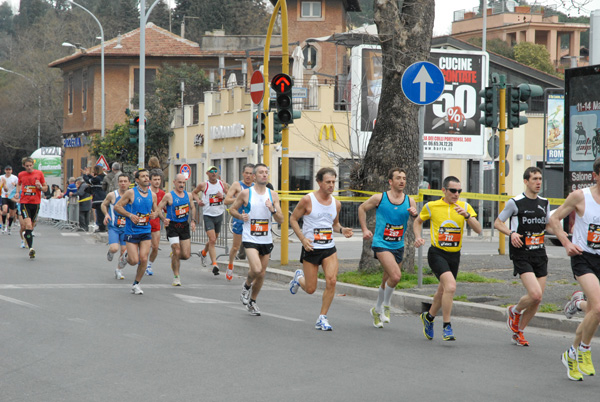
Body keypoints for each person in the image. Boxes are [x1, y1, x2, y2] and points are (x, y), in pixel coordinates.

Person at [549, 157, 600, 381]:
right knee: (598, 308)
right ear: (596, 175)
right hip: (583, 257)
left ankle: (571, 353)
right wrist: (567, 243)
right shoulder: (581, 196)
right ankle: (585, 351)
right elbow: (554, 218)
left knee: (593, 312)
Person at [413, 176, 481, 341]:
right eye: (453, 190)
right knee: (450, 287)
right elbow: (417, 221)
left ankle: (428, 317)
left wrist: (467, 216)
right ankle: (447, 325)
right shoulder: (432, 206)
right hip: (437, 253)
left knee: (443, 291)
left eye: (459, 191)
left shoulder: (465, 207)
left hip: (454, 255)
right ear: (444, 190)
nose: (456, 194)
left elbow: (479, 230)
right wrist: (418, 237)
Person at [289, 167, 353, 331]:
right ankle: (298, 278)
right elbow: (293, 219)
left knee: (331, 280)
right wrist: (303, 239)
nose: (331, 185)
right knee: (310, 289)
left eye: (333, 182)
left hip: (328, 248)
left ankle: (322, 317)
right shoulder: (307, 200)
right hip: (311, 248)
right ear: (319, 182)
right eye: (328, 182)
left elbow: (334, 224)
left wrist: (342, 230)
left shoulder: (336, 203)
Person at [494, 167, 551, 347]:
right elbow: (497, 222)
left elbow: (548, 225)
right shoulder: (515, 202)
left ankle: (519, 332)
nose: (538, 182)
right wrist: (511, 233)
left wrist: (565, 235)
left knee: (538, 299)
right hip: (521, 253)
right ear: (526, 181)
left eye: (540, 178)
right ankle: (515, 311)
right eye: (534, 179)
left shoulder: (545, 202)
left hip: (540, 253)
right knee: (534, 294)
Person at [358, 167, 417, 328]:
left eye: (404, 178)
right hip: (381, 243)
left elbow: (416, 221)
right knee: (396, 276)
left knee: (387, 279)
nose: (402, 181)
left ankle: (376, 309)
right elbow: (362, 208)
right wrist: (364, 229)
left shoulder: (409, 201)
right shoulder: (380, 198)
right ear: (390, 181)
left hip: (398, 244)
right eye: (398, 178)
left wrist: (414, 214)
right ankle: (386, 305)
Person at [229, 163, 283, 315]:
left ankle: (252, 301)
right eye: (261, 172)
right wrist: (240, 216)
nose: (264, 175)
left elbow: (281, 219)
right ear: (254, 176)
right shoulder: (246, 193)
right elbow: (232, 209)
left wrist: (272, 209)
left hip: (266, 238)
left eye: (266, 172)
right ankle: (246, 285)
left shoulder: (273, 195)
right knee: (257, 269)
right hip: (250, 237)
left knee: (262, 274)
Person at [114, 169, 158, 295]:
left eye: (147, 176)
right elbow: (117, 206)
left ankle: (136, 284)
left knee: (143, 259)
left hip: (145, 230)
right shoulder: (130, 193)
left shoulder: (152, 195)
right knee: (133, 261)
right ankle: (125, 256)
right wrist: (129, 215)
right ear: (137, 180)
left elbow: (156, 210)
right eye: (143, 176)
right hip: (132, 231)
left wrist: (155, 214)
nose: (146, 178)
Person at [157, 174, 197, 286]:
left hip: (184, 225)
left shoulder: (188, 195)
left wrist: (193, 220)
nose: (182, 185)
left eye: (183, 183)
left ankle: (174, 255)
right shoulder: (169, 196)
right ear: (174, 182)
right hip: (172, 225)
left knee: (186, 255)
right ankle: (176, 277)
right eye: (179, 182)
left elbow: (193, 207)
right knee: (176, 248)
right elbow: (159, 209)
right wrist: (163, 219)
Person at [193, 166, 229, 275]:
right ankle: (215, 264)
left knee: (214, 239)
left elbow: (230, 196)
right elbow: (194, 193)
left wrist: (222, 196)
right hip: (208, 215)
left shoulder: (222, 184)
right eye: (211, 171)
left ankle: (203, 253)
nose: (214, 173)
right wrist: (198, 200)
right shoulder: (203, 185)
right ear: (207, 173)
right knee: (212, 239)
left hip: (219, 214)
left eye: (215, 171)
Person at [224, 163, 255, 280]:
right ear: (243, 173)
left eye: (251, 173)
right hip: (239, 219)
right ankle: (230, 265)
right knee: (236, 247)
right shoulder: (237, 185)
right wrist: (239, 199)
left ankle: (253, 271)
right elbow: (226, 200)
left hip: (251, 221)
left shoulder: (255, 187)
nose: (248, 176)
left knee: (252, 247)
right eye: (246, 173)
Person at [15, 157, 47, 258]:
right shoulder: (21, 174)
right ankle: (31, 248)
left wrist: (40, 187)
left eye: (30, 165)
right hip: (24, 202)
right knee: (28, 225)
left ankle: (27, 237)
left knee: (31, 227)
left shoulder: (39, 174)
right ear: (24, 166)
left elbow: (45, 188)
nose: (29, 167)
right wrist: (17, 193)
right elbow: (19, 184)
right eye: (27, 166)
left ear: (33, 165)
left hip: (36, 202)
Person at [101, 174, 131, 280]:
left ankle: (119, 270)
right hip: (114, 226)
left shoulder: (132, 196)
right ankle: (110, 251)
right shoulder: (112, 195)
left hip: (126, 228)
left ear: (129, 183)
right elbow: (103, 204)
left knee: (124, 251)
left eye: (125, 181)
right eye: (121, 181)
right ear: (118, 183)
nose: (123, 183)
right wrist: (106, 214)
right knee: (114, 248)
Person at [147, 172, 165, 276]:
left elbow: (164, 209)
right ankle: (143, 262)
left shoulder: (162, 194)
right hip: (144, 224)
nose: (157, 181)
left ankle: (149, 265)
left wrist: (165, 219)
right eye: (155, 179)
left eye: (158, 179)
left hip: (156, 224)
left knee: (155, 247)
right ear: (150, 181)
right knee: (145, 246)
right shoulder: (146, 192)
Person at [83, 165, 107, 232]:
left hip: (98, 198)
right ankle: (102, 227)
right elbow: (93, 179)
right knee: (102, 213)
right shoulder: (103, 177)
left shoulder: (98, 178)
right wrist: (89, 175)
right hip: (103, 198)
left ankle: (101, 228)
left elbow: (89, 181)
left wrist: (85, 175)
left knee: (100, 214)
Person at [1, 165, 19, 235]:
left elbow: (18, 186)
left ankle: (9, 227)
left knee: (12, 214)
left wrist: (15, 185)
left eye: (9, 170)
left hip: (12, 196)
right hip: (4, 195)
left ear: (11, 171)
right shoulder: (1, 177)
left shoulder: (14, 177)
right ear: (5, 170)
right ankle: (3, 225)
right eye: (7, 170)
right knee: (5, 210)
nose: (8, 171)